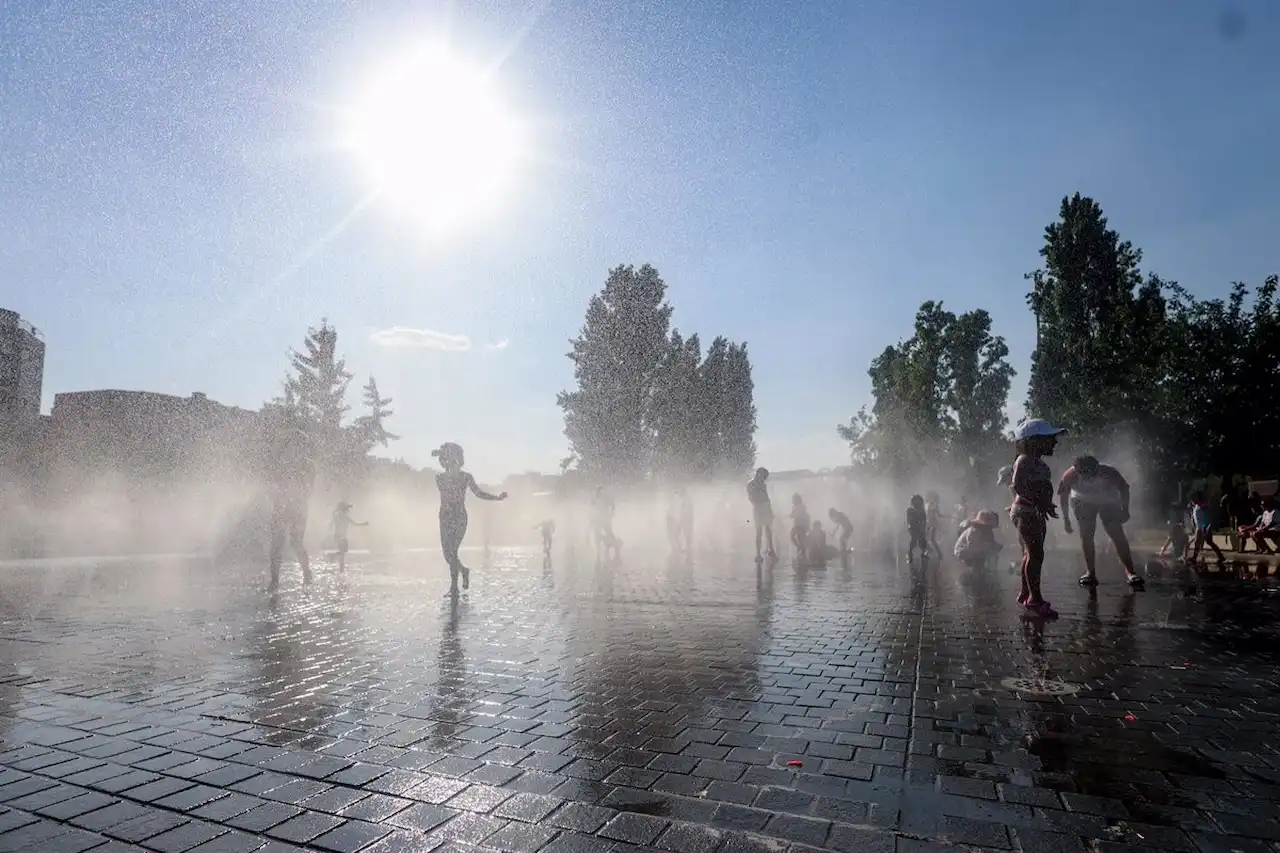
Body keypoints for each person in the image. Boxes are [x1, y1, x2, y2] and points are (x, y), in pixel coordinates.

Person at [433, 442, 508, 594]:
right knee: (447, 555)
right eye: (449, 459)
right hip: (445, 517)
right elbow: (450, 481)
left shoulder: (466, 477)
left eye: (454, 458)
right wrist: (443, 453)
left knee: (453, 552)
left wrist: (497, 498)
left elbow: (478, 493)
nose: (452, 462)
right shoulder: (439, 477)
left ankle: (454, 587)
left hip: (459, 516)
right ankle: (464, 571)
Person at [1058, 455, 1144, 588]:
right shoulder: (1070, 475)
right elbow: (1063, 495)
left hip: (1108, 500)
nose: (1088, 477)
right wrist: (1065, 519)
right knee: (1086, 535)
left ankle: (1130, 572)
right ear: (1078, 471)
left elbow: (1124, 488)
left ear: (1097, 468)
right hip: (1082, 500)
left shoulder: (1108, 472)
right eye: (1084, 474)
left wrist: (1125, 510)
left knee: (1116, 533)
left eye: (1091, 473)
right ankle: (1090, 573)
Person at [1010, 418, 1066, 619]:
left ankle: (1026, 593)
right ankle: (1035, 599)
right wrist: (1037, 503)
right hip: (1026, 511)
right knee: (1036, 554)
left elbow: (1041, 487)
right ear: (1034, 441)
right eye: (1050, 438)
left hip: (1033, 510)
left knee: (1030, 553)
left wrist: (1047, 504)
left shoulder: (1037, 462)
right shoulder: (1024, 460)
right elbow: (1017, 485)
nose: (1055, 442)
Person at [267, 426, 315, 592]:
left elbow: (309, 490)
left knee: (296, 542)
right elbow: (275, 486)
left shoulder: (308, 465)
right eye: (292, 444)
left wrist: (297, 499)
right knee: (276, 544)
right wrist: (279, 500)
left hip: (298, 508)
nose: (295, 448)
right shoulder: (282, 464)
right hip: (281, 507)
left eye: (299, 444)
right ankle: (274, 581)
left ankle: (307, 573)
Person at [1188, 491, 1228, 564]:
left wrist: (1208, 526)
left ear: (1198, 498)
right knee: (1197, 543)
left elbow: (1209, 517)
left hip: (1205, 527)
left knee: (1209, 542)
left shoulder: (1204, 506)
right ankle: (1194, 557)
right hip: (1199, 527)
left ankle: (1221, 557)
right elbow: (1195, 517)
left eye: (1194, 498)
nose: (1193, 500)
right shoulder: (1196, 506)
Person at [746, 467, 776, 563]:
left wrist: (770, 510)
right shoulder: (751, 484)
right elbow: (751, 498)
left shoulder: (763, 484)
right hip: (758, 509)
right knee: (759, 532)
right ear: (758, 474)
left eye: (764, 477)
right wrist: (760, 504)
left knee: (768, 530)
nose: (763, 478)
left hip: (766, 509)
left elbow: (767, 498)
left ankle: (771, 549)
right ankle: (758, 554)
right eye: (763, 476)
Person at [330, 501, 367, 572]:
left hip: (338, 537)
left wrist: (337, 509)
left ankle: (340, 567)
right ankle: (337, 563)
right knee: (342, 554)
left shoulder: (337, 516)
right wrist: (364, 524)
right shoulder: (345, 517)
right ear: (345, 510)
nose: (348, 511)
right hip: (341, 537)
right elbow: (355, 524)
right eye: (347, 509)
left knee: (342, 554)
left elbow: (334, 514)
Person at [591, 486, 622, 562]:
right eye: (599, 491)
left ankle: (615, 546)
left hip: (605, 517)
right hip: (598, 518)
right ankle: (599, 551)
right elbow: (592, 506)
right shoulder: (596, 497)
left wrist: (612, 513)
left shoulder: (606, 498)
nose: (601, 492)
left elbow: (612, 504)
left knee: (609, 532)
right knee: (597, 534)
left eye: (602, 491)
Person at [906, 494, 929, 567]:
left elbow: (924, 519)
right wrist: (912, 525)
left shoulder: (921, 510)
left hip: (920, 527)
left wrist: (923, 526)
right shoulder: (910, 509)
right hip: (913, 527)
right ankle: (910, 554)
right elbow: (909, 520)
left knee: (922, 540)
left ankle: (924, 553)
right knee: (914, 540)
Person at [924, 491, 948, 558]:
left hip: (933, 523)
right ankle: (930, 551)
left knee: (931, 539)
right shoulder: (926, 504)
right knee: (925, 538)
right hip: (928, 523)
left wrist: (947, 516)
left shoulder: (934, 505)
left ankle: (939, 554)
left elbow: (939, 515)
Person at [790, 494, 812, 562]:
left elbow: (794, 514)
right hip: (801, 526)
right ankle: (801, 549)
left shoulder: (799, 507)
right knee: (799, 538)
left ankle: (801, 549)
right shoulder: (798, 507)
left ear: (796, 500)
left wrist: (790, 515)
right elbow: (793, 515)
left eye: (793, 500)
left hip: (801, 526)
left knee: (793, 536)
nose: (792, 501)